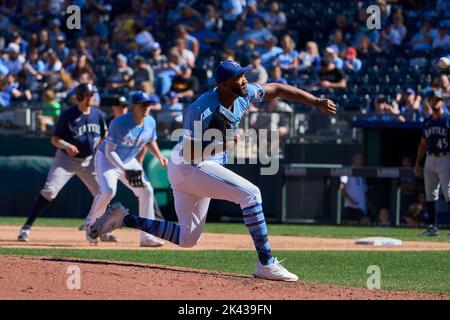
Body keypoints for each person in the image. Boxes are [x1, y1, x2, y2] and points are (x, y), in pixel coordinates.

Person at [89, 60, 336, 281]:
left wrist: (315, 101)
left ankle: (124, 218)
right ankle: (266, 263)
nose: (245, 79)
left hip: (200, 166)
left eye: (244, 74)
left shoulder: (244, 93)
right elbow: (191, 154)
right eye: (239, 76)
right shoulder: (200, 109)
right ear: (225, 84)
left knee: (187, 239)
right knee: (251, 194)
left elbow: (278, 89)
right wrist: (226, 143)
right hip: (190, 165)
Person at [17, 84, 107, 242]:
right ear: (80, 96)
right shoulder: (68, 115)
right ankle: (26, 227)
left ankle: (93, 226)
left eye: (92, 94)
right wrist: (67, 145)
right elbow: (55, 139)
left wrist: (98, 150)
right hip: (67, 160)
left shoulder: (98, 114)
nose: (91, 97)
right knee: (49, 191)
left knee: (103, 193)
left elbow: (103, 135)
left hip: (89, 160)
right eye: (87, 94)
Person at [84, 91, 168, 247]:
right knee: (108, 191)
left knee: (146, 191)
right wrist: (124, 170)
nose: (146, 107)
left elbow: (150, 141)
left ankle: (146, 237)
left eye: (148, 104)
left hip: (129, 161)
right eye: (143, 104)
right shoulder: (120, 123)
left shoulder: (150, 121)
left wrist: (159, 156)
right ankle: (90, 224)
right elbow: (110, 151)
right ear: (134, 106)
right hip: (107, 160)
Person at [414, 89, 450, 236]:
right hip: (429, 158)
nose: (435, 101)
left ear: (443, 101)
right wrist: (417, 162)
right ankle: (432, 227)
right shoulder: (427, 121)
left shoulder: (448, 119)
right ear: (428, 101)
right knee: (430, 194)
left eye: (438, 99)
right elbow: (423, 143)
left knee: (448, 192)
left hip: (445, 157)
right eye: (432, 99)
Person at [340, 154, 370, 225]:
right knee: (365, 222)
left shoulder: (362, 173)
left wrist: (369, 204)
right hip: (351, 206)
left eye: (362, 159)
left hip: (362, 207)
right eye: (359, 159)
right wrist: (351, 200)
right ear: (354, 160)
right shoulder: (347, 171)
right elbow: (342, 189)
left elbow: (364, 191)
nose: (361, 161)